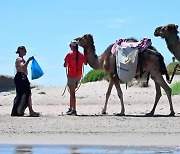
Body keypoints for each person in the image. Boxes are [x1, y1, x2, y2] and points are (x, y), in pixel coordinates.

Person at [11, 46, 40, 117]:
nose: (25, 52)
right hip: (20, 78)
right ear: (20, 51)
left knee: (28, 93)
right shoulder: (19, 59)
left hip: (23, 78)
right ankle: (24, 111)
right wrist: (28, 61)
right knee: (22, 94)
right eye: (24, 50)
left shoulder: (22, 59)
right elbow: (22, 67)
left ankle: (29, 110)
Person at [64, 40, 87, 115]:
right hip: (78, 76)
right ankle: (71, 108)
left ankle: (74, 110)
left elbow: (65, 65)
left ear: (72, 46)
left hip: (71, 75)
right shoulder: (81, 55)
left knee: (72, 93)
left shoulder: (69, 55)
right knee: (72, 93)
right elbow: (85, 63)